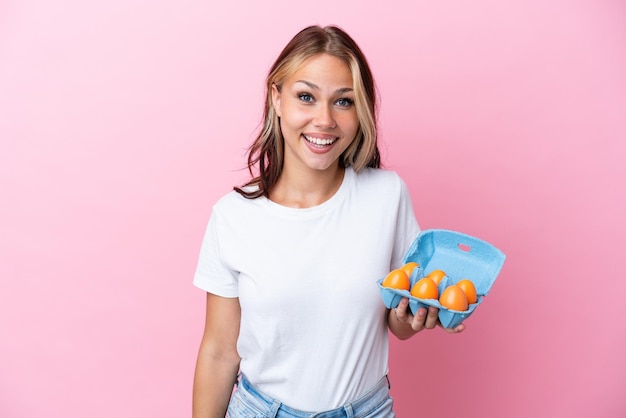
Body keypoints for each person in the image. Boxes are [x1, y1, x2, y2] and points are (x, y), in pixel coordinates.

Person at [192, 24, 465, 418]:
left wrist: (418, 315)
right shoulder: (233, 217)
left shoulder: (386, 196)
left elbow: (397, 322)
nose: (324, 120)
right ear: (277, 98)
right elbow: (219, 352)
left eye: (343, 101)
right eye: (306, 97)